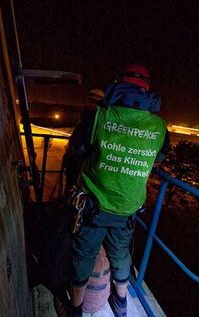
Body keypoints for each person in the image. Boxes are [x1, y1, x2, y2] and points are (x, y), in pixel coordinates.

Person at [67, 64, 170, 317]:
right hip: (127, 208)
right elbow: (159, 158)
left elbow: (77, 151)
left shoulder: (100, 116)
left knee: (82, 254)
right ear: (147, 90)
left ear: (117, 84)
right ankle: (121, 302)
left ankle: (76, 310)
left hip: (93, 207)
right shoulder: (159, 127)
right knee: (121, 255)